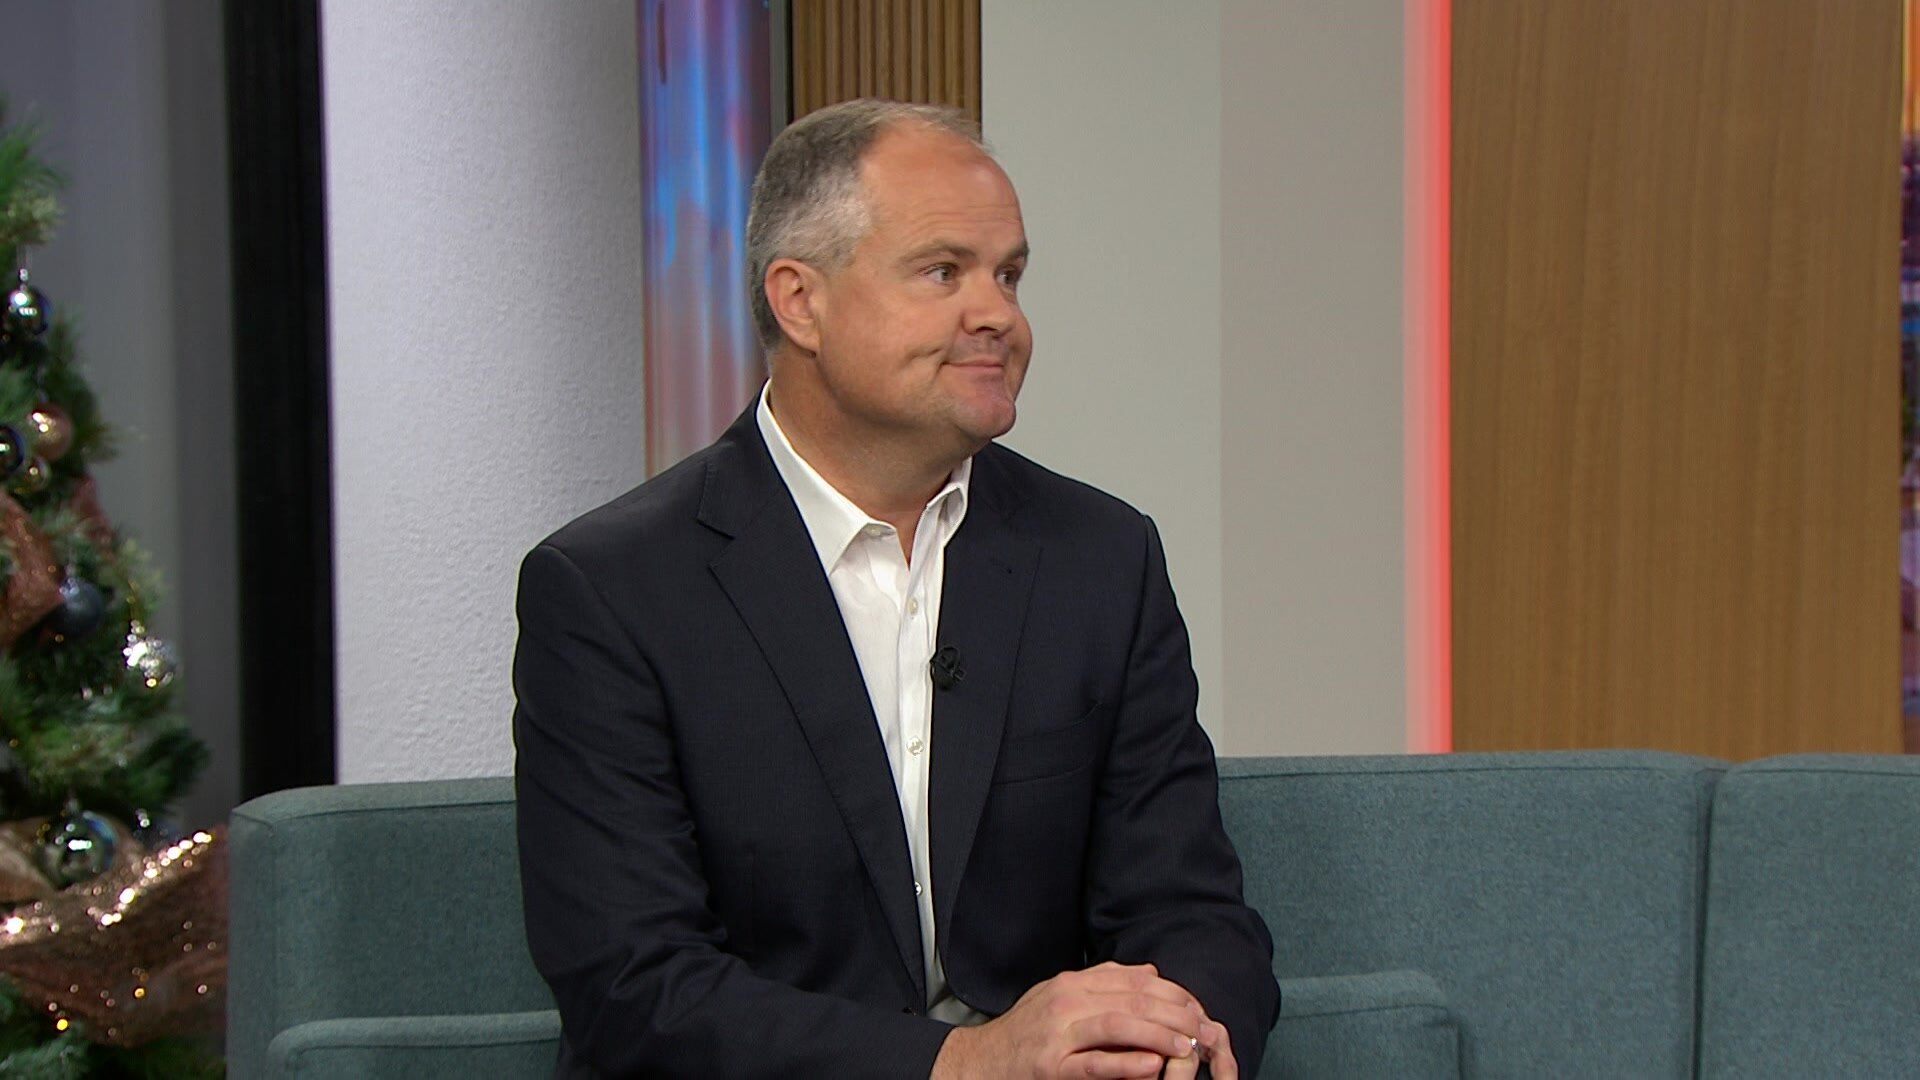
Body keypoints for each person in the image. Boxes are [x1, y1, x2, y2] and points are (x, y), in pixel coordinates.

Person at [513, 98, 1279, 1079]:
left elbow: (1192, 913)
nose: (998, 312)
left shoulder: (1101, 559)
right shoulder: (612, 594)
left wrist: (1183, 1039)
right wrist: (961, 1064)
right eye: (943, 271)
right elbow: (636, 992)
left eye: (1009, 275)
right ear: (800, 301)